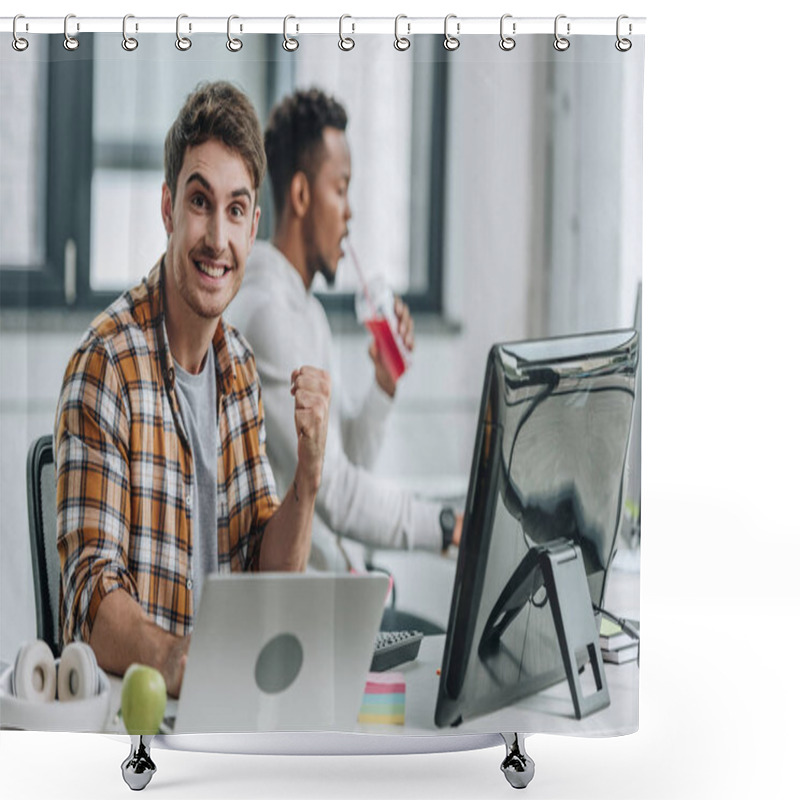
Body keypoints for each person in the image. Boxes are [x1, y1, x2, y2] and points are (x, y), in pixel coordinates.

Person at [54, 81, 331, 698]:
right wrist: (178, 660)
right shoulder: (106, 367)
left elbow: (268, 572)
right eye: (200, 201)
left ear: (254, 226)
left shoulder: (239, 368)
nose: (215, 237)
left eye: (235, 210)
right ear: (167, 208)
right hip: (136, 722)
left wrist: (308, 480)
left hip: (233, 707)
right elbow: (91, 597)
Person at [227, 88, 462, 577]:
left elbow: (346, 457)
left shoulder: (305, 311)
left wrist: (383, 386)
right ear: (300, 194)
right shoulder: (269, 314)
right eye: (341, 188)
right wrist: (445, 525)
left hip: (331, 591)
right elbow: (336, 493)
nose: (350, 211)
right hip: (293, 613)